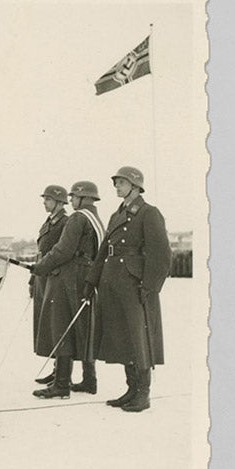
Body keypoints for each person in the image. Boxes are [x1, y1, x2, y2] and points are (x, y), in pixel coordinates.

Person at [84, 167, 171, 412]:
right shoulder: (116, 215)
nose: (117, 187)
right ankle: (131, 389)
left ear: (135, 186)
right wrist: (92, 281)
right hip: (113, 282)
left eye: (121, 183)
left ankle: (143, 394)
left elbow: (162, 255)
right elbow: (103, 251)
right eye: (116, 183)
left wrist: (150, 286)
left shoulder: (148, 213)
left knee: (138, 338)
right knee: (122, 337)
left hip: (134, 284)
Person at [31, 181, 104, 399]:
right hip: (86, 276)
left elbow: (63, 250)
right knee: (82, 327)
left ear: (82, 198)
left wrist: (40, 267)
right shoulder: (96, 218)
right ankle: (90, 381)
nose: (70, 201)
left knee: (61, 325)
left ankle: (61, 384)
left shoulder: (77, 217)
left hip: (68, 277)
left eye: (72, 197)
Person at [31, 185, 68, 386]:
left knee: (58, 324)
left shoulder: (65, 222)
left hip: (54, 276)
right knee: (48, 326)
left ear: (59, 201)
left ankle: (62, 373)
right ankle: (56, 369)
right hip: (43, 277)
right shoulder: (49, 222)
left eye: (48, 199)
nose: (44, 202)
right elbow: (41, 250)